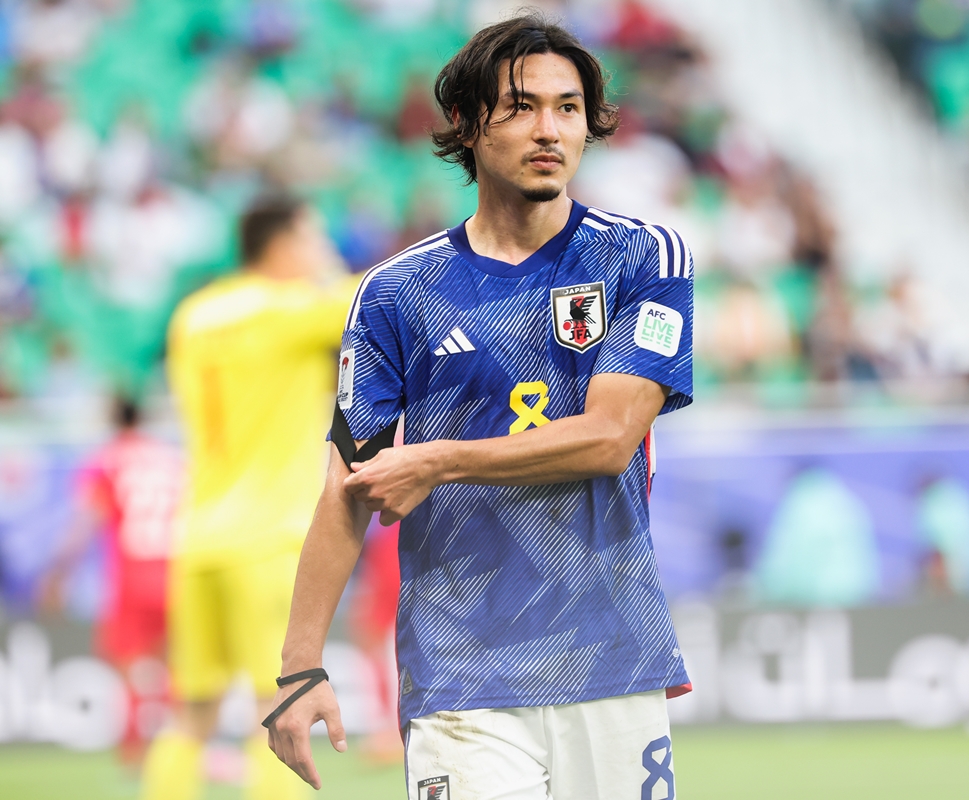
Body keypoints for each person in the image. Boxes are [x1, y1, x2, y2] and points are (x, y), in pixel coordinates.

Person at [265, 13, 695, 799]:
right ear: (466, 123)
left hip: (611, 659)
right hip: (460, 673)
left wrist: (437, 461)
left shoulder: (643, 257)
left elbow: (609, 438)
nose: (549, 129)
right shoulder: (396, 293)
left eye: (568, 108)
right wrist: (300, 666)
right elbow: (348, 483)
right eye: (521, 106)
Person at [139, 195, 356, 800]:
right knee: (279, 705)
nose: (322, 251)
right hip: (266, 537)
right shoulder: (288, 309)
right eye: (315, 238)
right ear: (284, 244)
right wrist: (332, 269)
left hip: (198, 536)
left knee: (192, 715)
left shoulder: (195, 314)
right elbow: (376, 296)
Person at [41, 396, 182, 765]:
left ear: (111, 420)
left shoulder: (107, 459)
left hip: (133, 577)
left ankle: (135, 753)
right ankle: (181, 745)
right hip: (177, 572)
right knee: (171, 663)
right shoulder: (170, 458)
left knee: (126, 664)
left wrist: (58, 574)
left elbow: (86, 520)